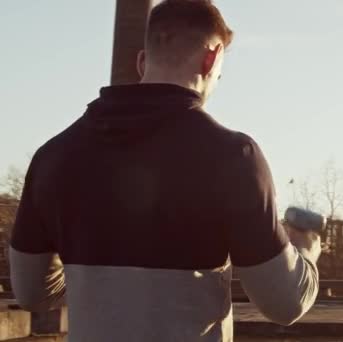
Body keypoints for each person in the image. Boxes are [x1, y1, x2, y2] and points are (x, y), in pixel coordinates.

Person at [8, 0, 321, 341]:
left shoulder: (53, 156)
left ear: (142, 62)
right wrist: (306, 250)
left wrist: (104, 282)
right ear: (211, 58)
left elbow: (31, 293)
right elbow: (284, 303)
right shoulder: (234, 156)